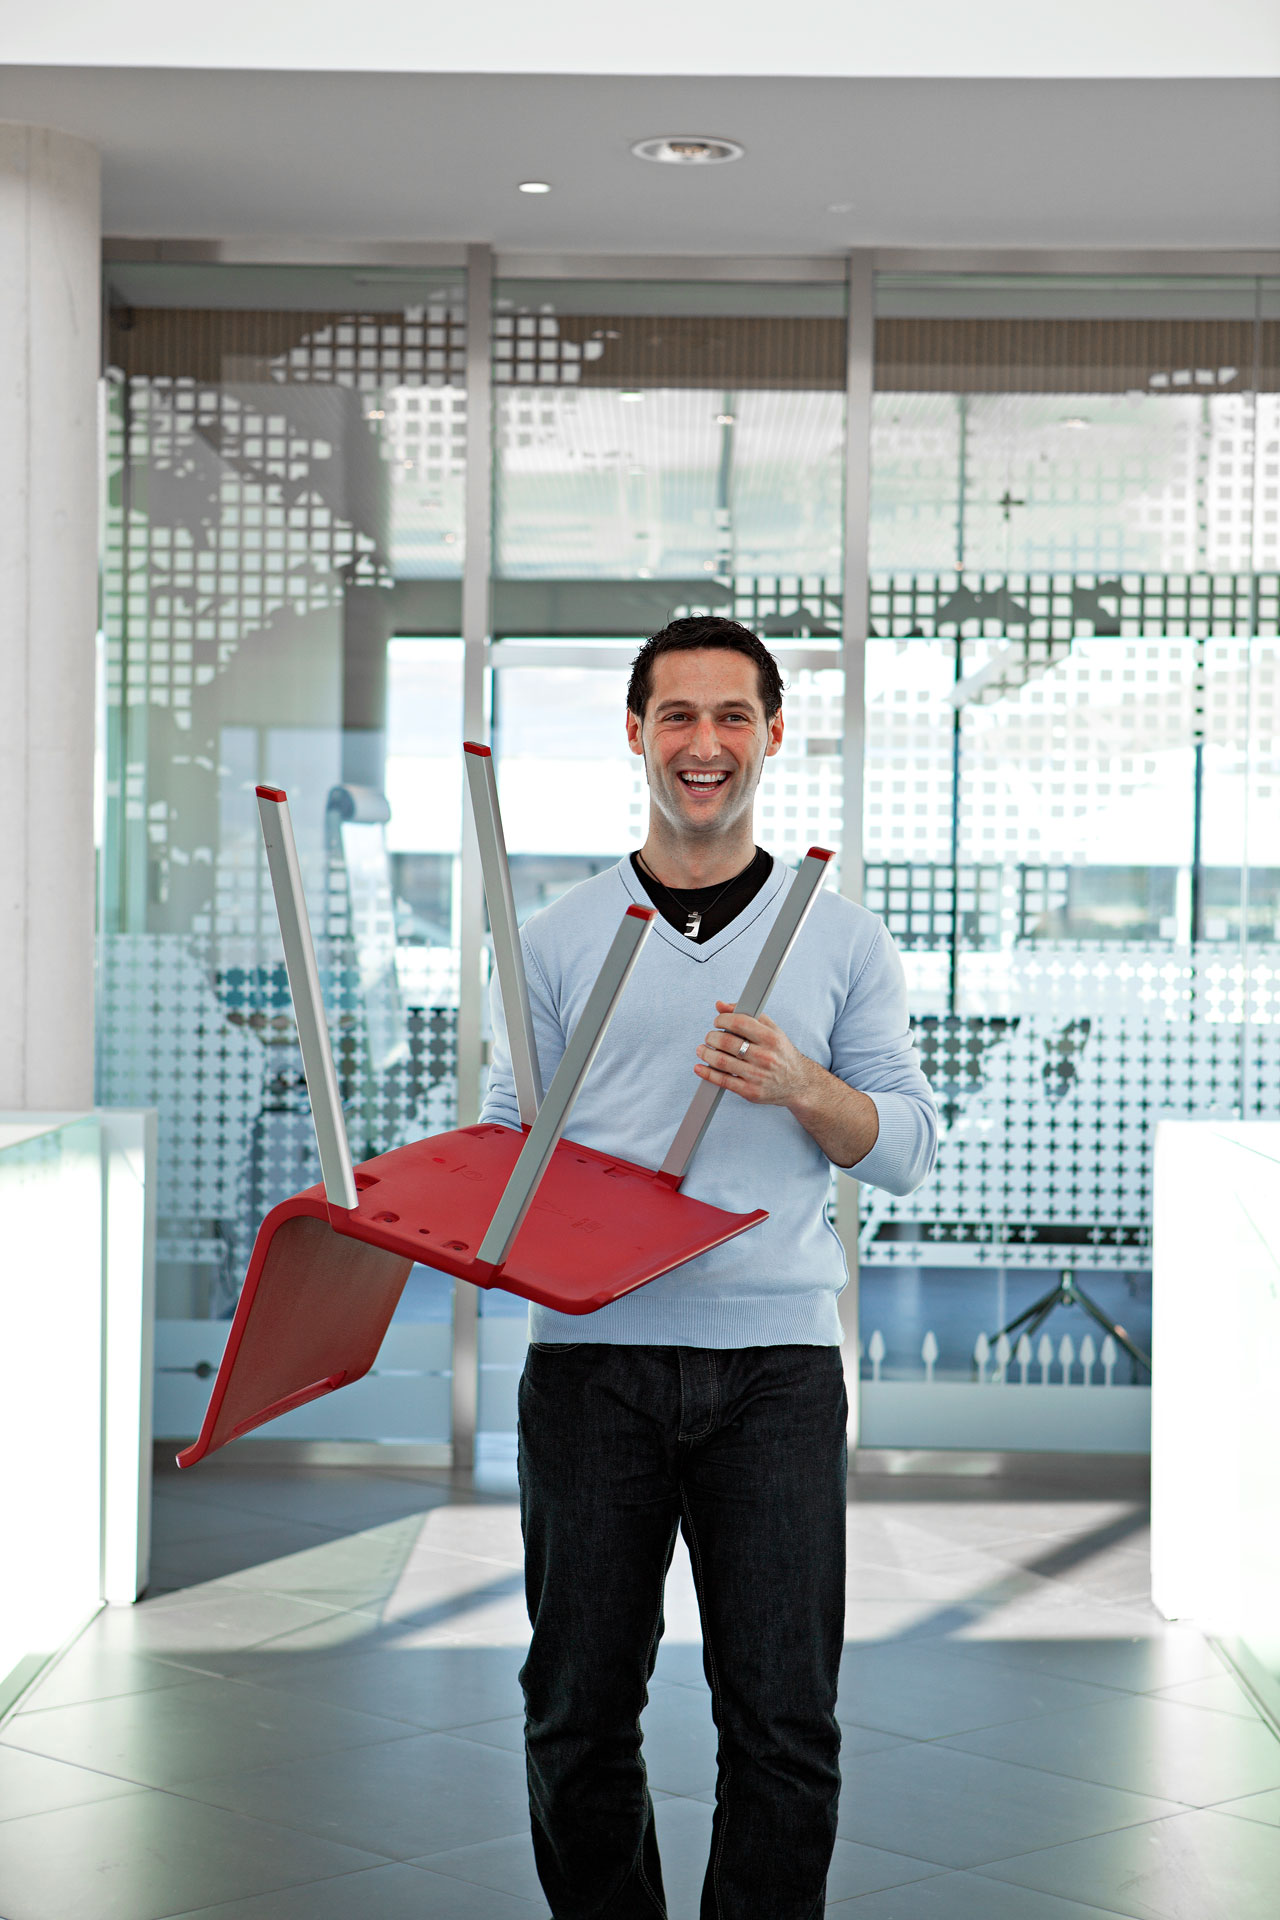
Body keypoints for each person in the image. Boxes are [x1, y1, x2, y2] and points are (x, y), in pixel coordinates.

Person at [481, 615, 938, 1920]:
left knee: (784, 1723)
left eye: (733, 715)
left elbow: (907, 1149)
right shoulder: (560, 936)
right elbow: (511, 1141)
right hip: (592, 1364)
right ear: (636, 733)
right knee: (575, 1714)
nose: (705, 742)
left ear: (772, 735)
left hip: (777, 1371)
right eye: (677, 714)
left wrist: (804, 1085)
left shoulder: (839, 941)